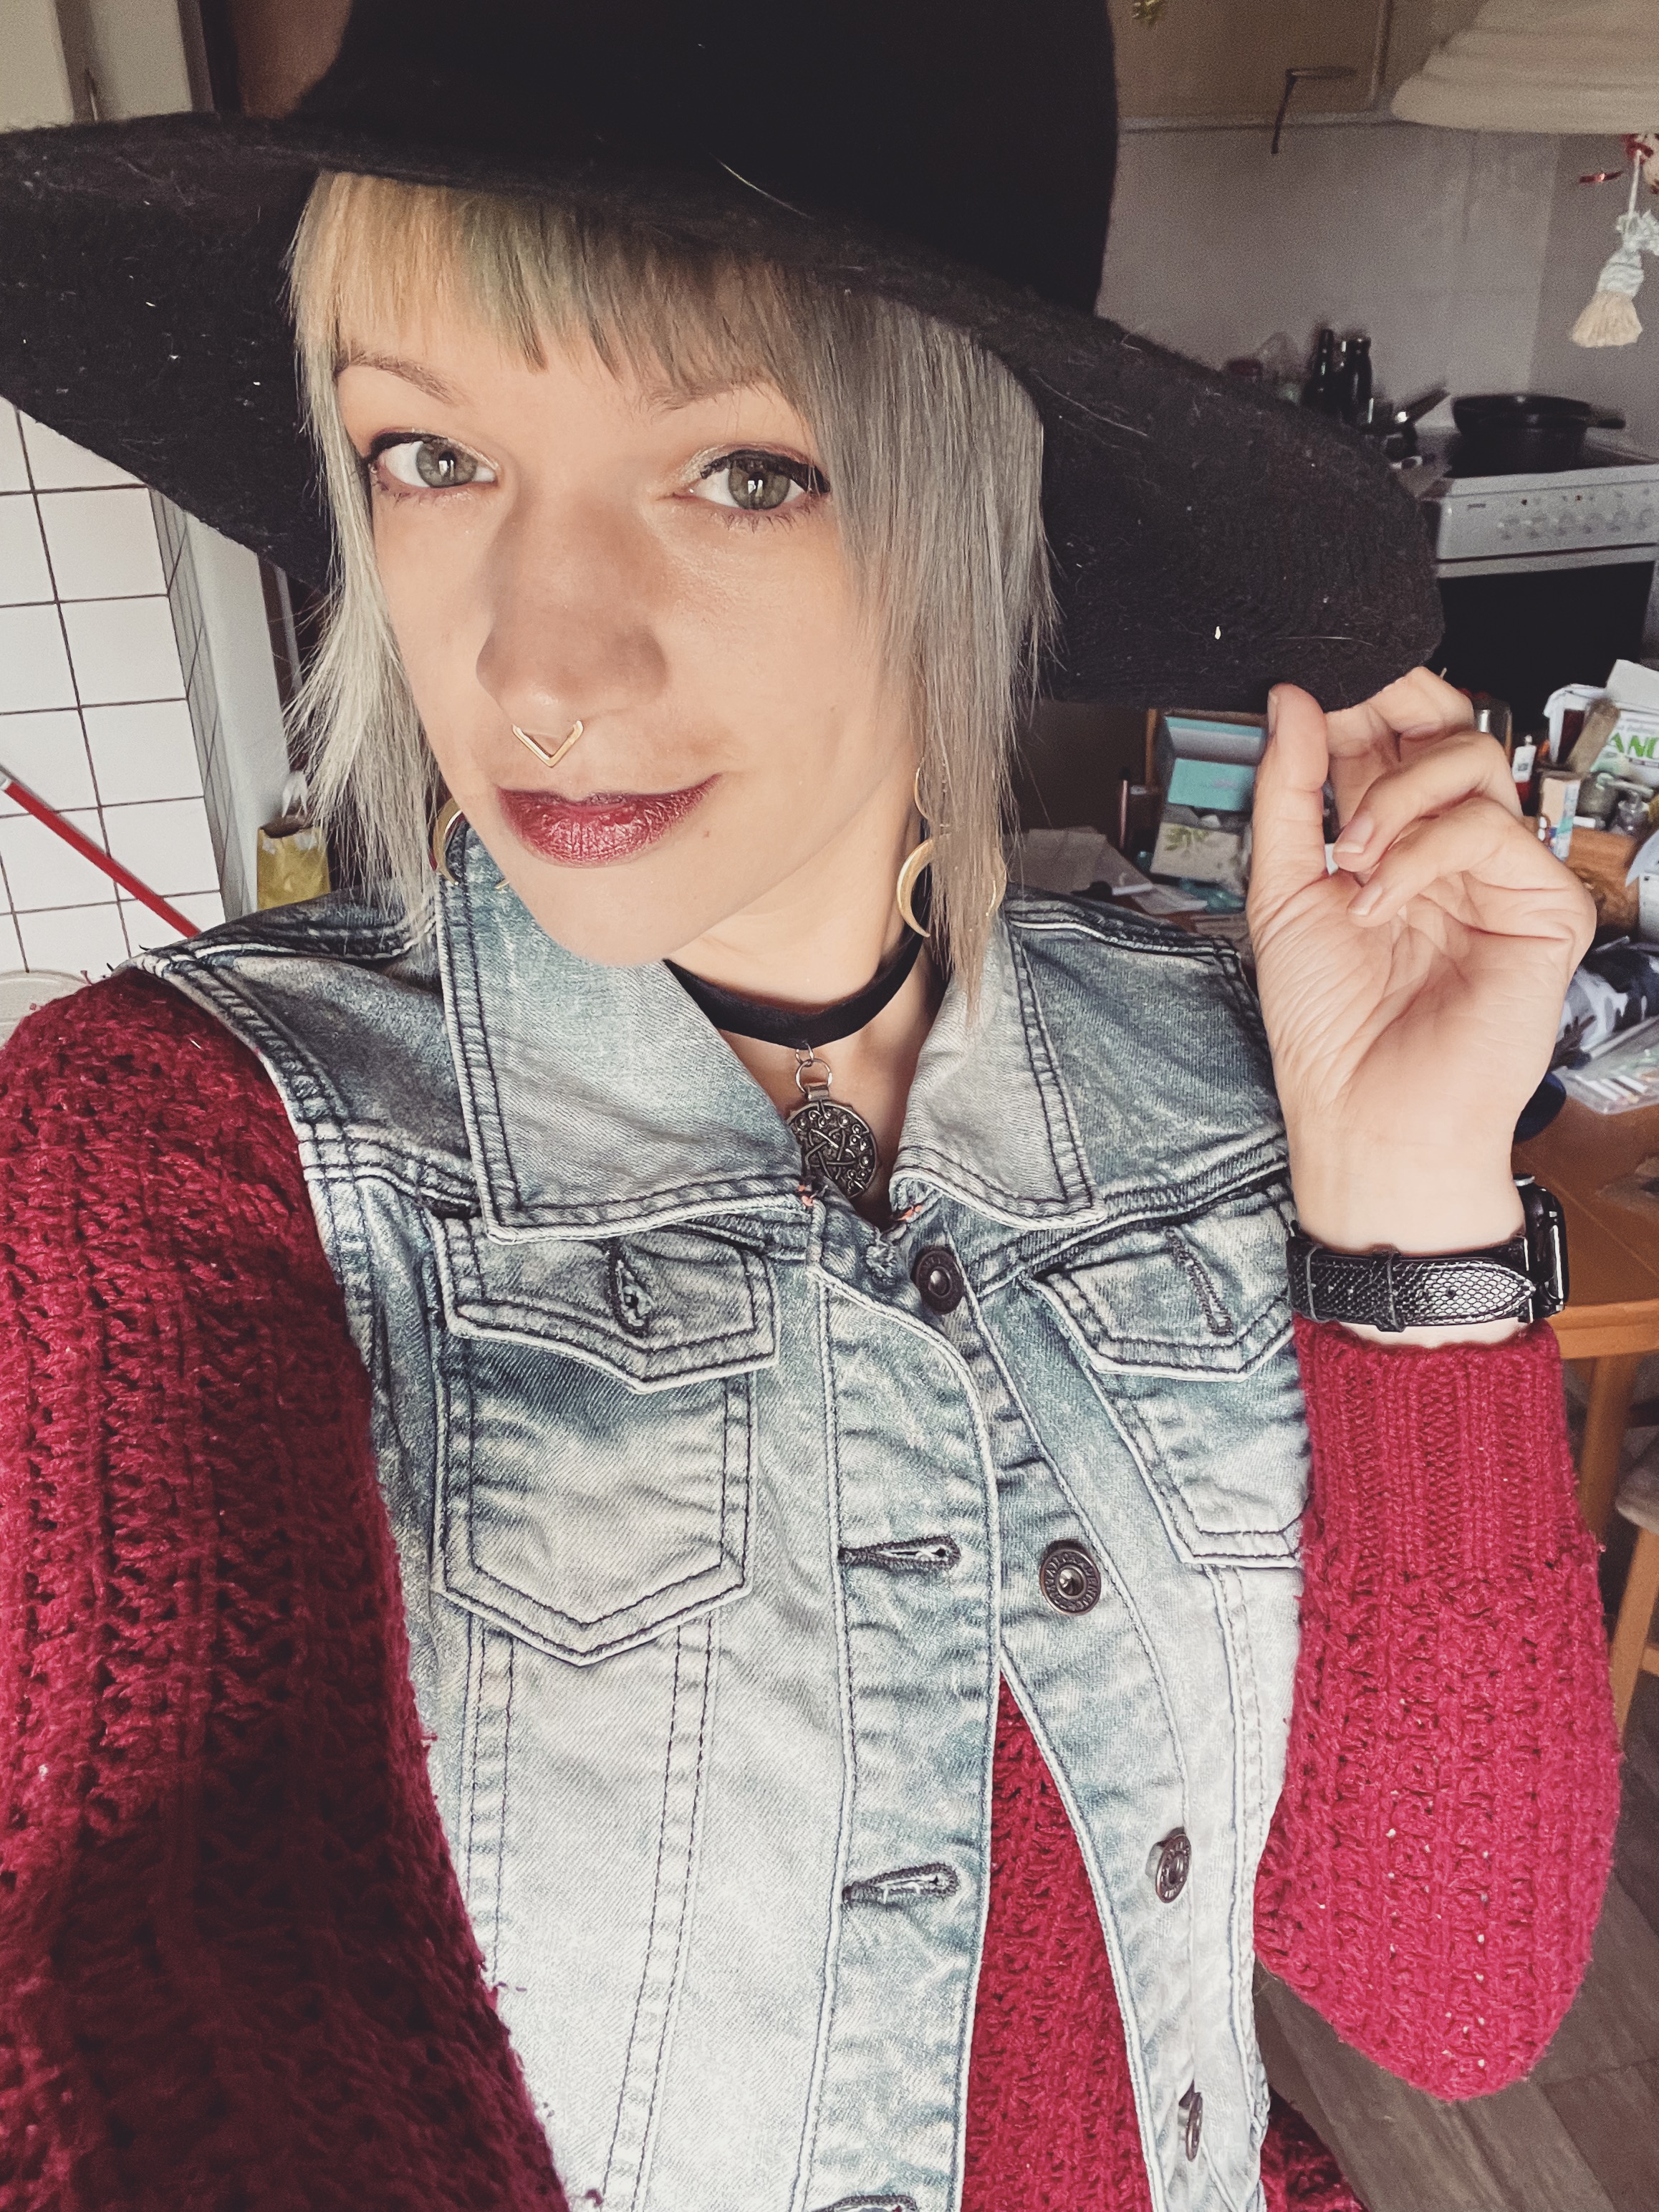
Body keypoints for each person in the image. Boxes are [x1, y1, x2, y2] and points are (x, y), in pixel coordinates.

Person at [0, 6, 1621, 2210]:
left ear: (976, 503)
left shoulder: (1236, 1069)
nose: (540, 664)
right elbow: (159, 1922)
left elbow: (1443, 1994)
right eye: (430, 455)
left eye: (739, 471)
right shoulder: (184, 1148)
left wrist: (1412, 1200)